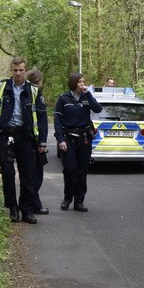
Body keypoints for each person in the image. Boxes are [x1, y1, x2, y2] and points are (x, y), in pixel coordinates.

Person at [0, 58, 48, 224]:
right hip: (5, 136)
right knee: (8, 174)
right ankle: (13, 208)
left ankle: (27, 210)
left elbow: (42, 117)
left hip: (26, 137)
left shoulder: (33, 90)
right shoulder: (1, 87)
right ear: (11, 70)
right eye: (15, 70)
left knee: (27, 176)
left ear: (25, 70)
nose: (18, 73)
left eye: (21, 70)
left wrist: (42, 142)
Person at [54, 72, 102, 212]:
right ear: (74, 83)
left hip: (84, 138)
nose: (82, 84)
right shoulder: (63, 98)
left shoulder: (86, 97)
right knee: (69, 169)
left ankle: (79, 201)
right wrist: (60, 139)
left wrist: (88, 94)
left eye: (84, 81)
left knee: (82, 171)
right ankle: (67, 198)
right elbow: (57, 121)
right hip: (68, 138)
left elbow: (98, 109)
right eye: (80, 82)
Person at [26, 68, 49, 215]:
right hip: (34, 140)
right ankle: (34, 204)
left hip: (26, 138)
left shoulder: (22, 92)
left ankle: (33, 203)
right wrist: (42, 142)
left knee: (29, 174)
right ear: (38, 80)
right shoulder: (35, 93)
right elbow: (42, 121)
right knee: (36, 174)